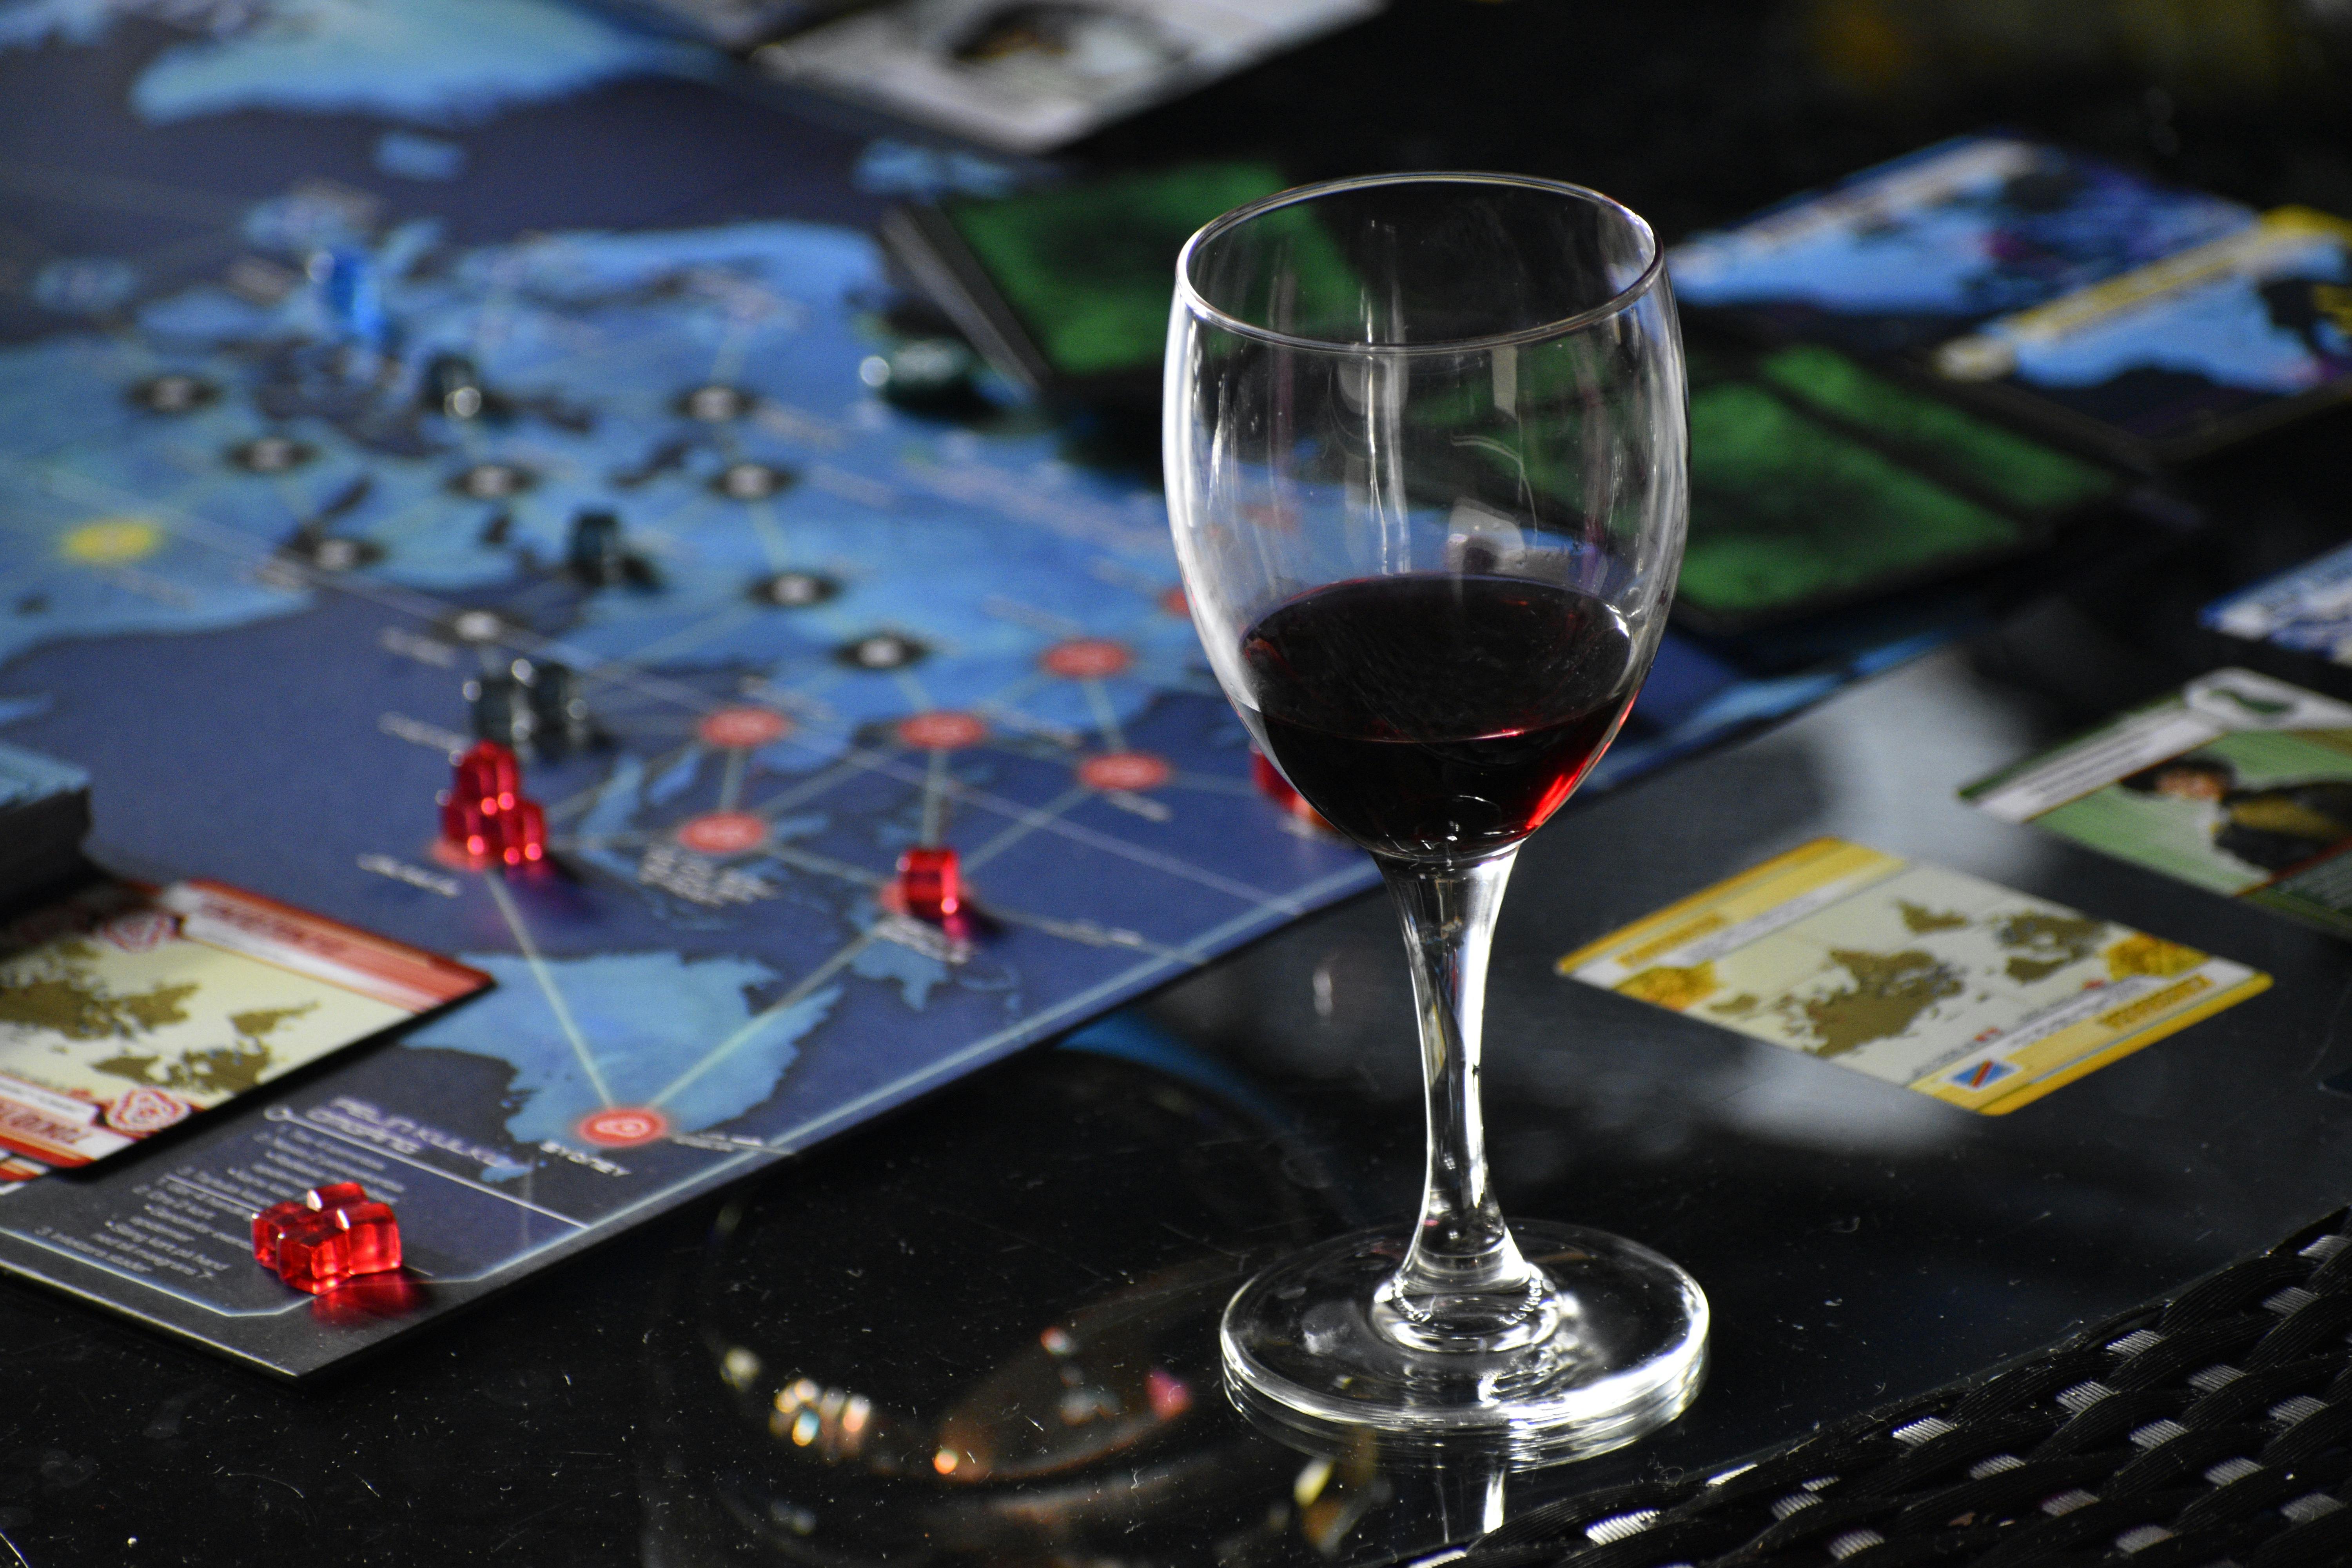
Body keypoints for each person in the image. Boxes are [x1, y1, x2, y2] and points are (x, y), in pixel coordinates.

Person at [2120, 753, 2352, 874]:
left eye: (2191, 780)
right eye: (2177, 788)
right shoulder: (2231, 823)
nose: (2190, 790)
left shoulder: (2256, 802)